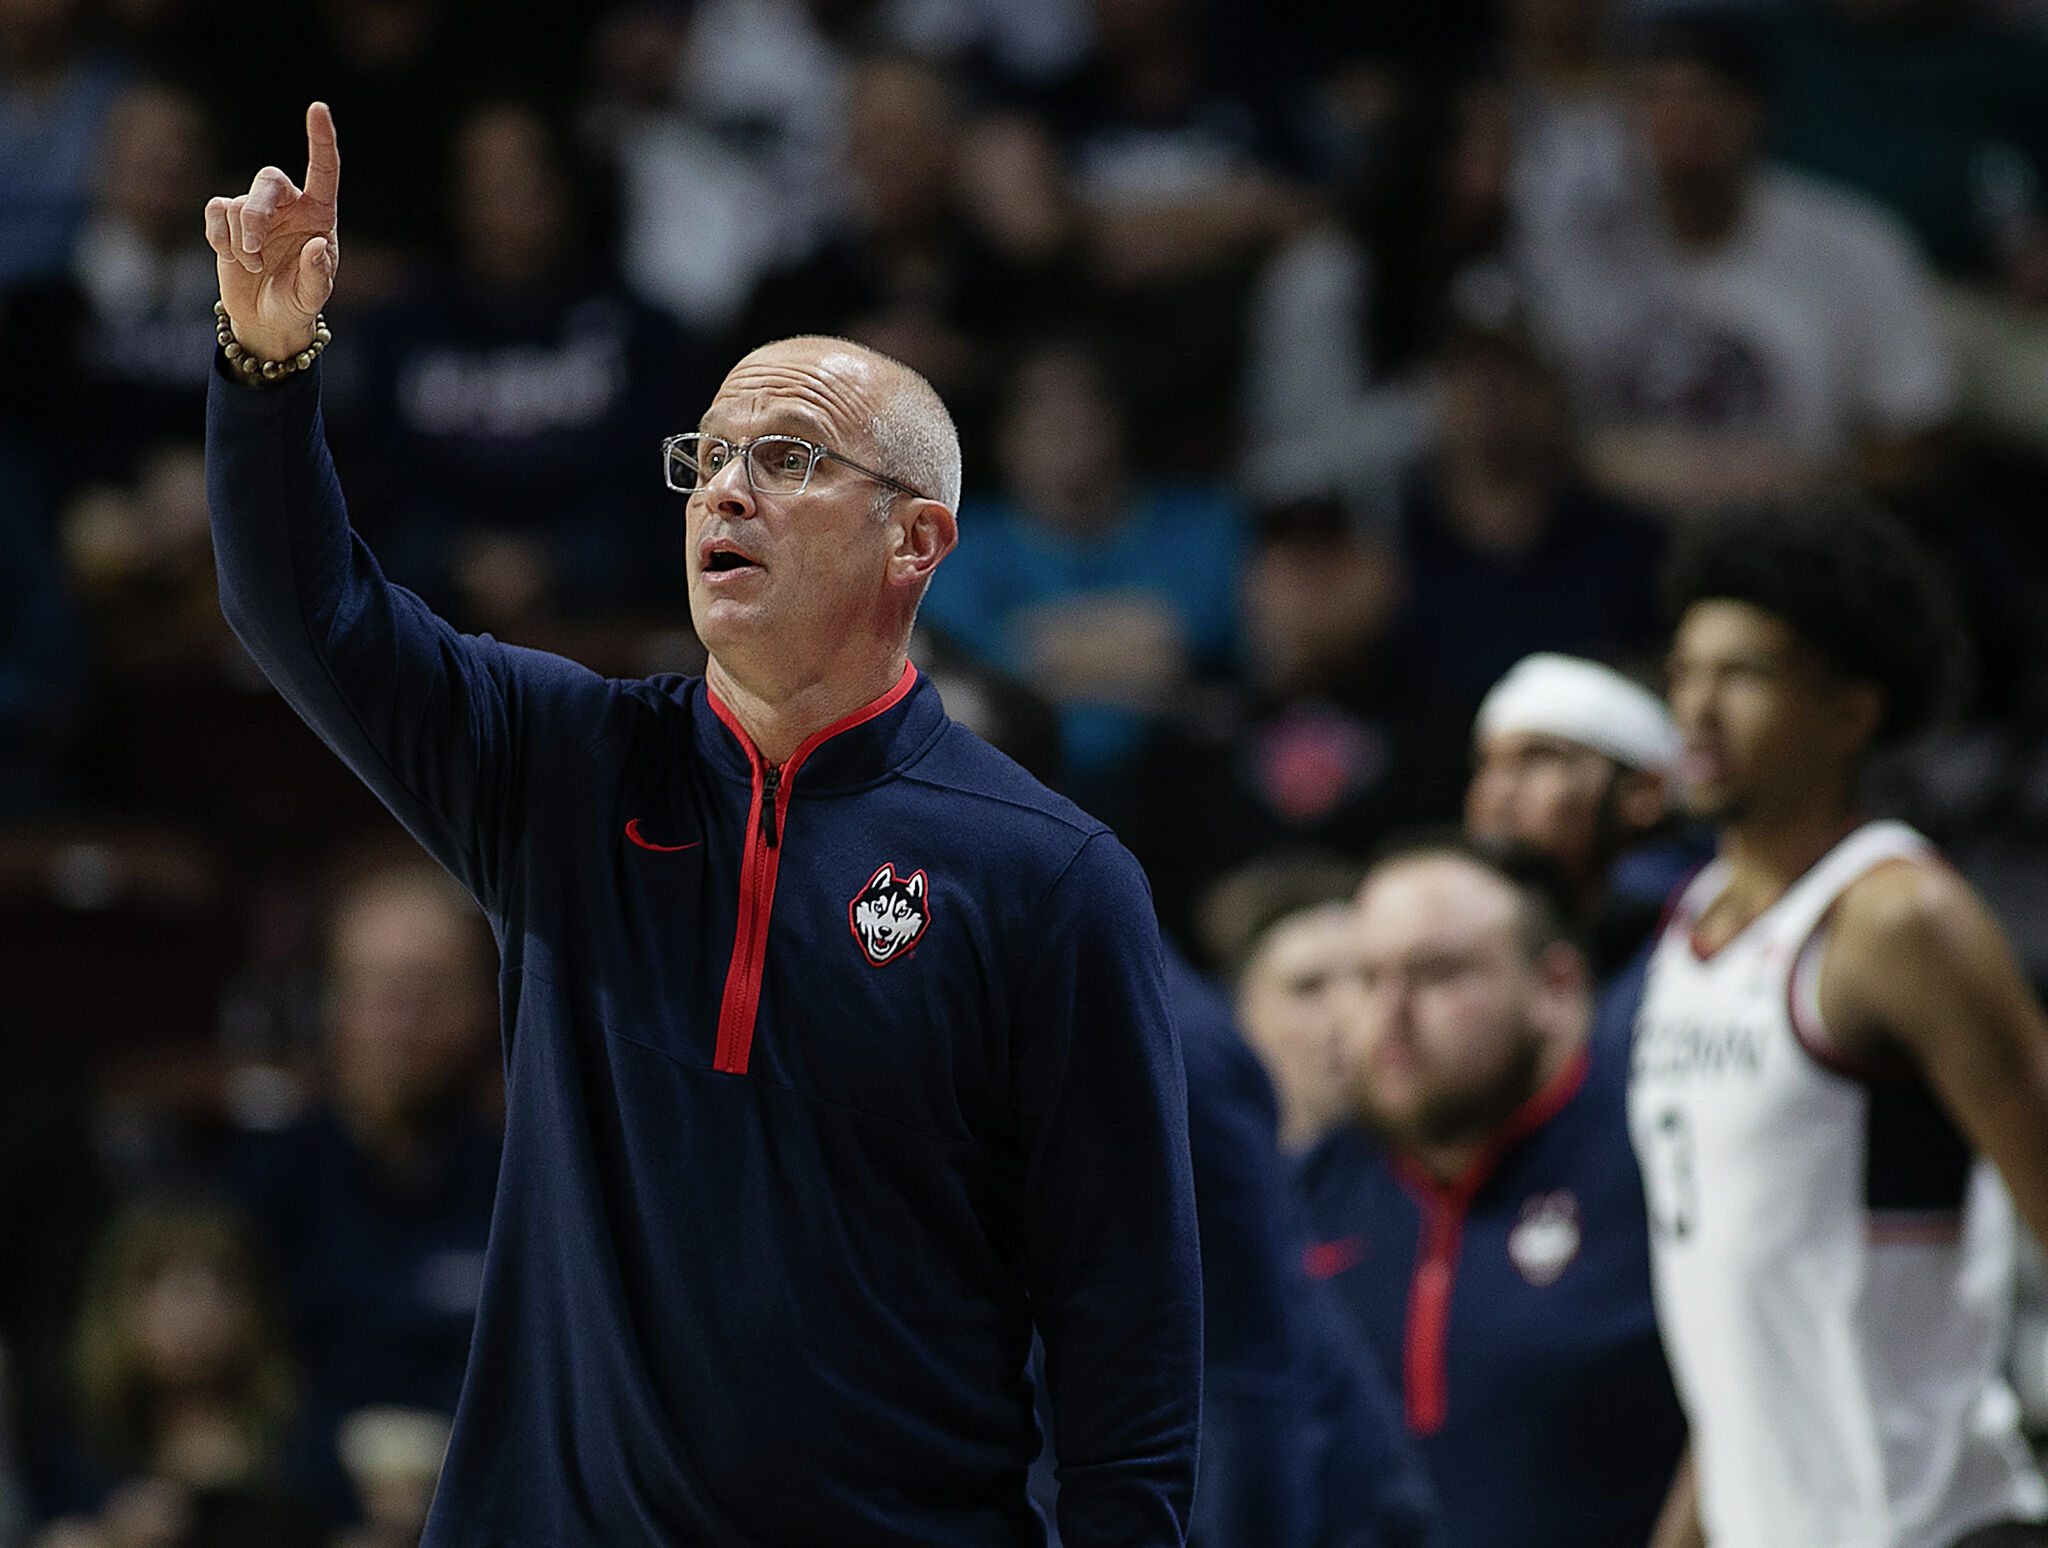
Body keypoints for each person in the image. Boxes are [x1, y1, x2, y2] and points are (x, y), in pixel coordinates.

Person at [201, 104, 1200, 1547]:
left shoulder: (1049, 877)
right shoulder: (563, 766)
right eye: (707, 457)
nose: (724, 487)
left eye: (787, 458)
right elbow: (301, 614)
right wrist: (266, 358)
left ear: (915, 541)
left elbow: (1129, 1325)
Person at [1634, 498, 2048, 1548]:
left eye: (1742, 674)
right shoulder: (1686, 934)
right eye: (1682, 671)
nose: (1695, 709)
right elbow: (1736, 1307)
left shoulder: (1897, 920)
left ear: (1849, 711)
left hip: (1929, 1524)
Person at [1299, 834, 1685, 1548]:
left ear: (1556, 988)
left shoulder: (1656, 1164)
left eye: (1438, 973)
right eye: (1363, 976)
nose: (1391, 1010)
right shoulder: (1307, 1196)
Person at [229, 855, 501, 1521]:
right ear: (330, 1003)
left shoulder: (529, 1189)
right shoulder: (265, 1183)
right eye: (379, 991)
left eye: (429, 992)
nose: (401, 1024)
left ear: (483, 1007)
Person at [1466, 651, 1703, 981]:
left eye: (1538, 759)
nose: (1496, 793)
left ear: (1644, 794)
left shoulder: (1695, 936)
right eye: (1486, 764)